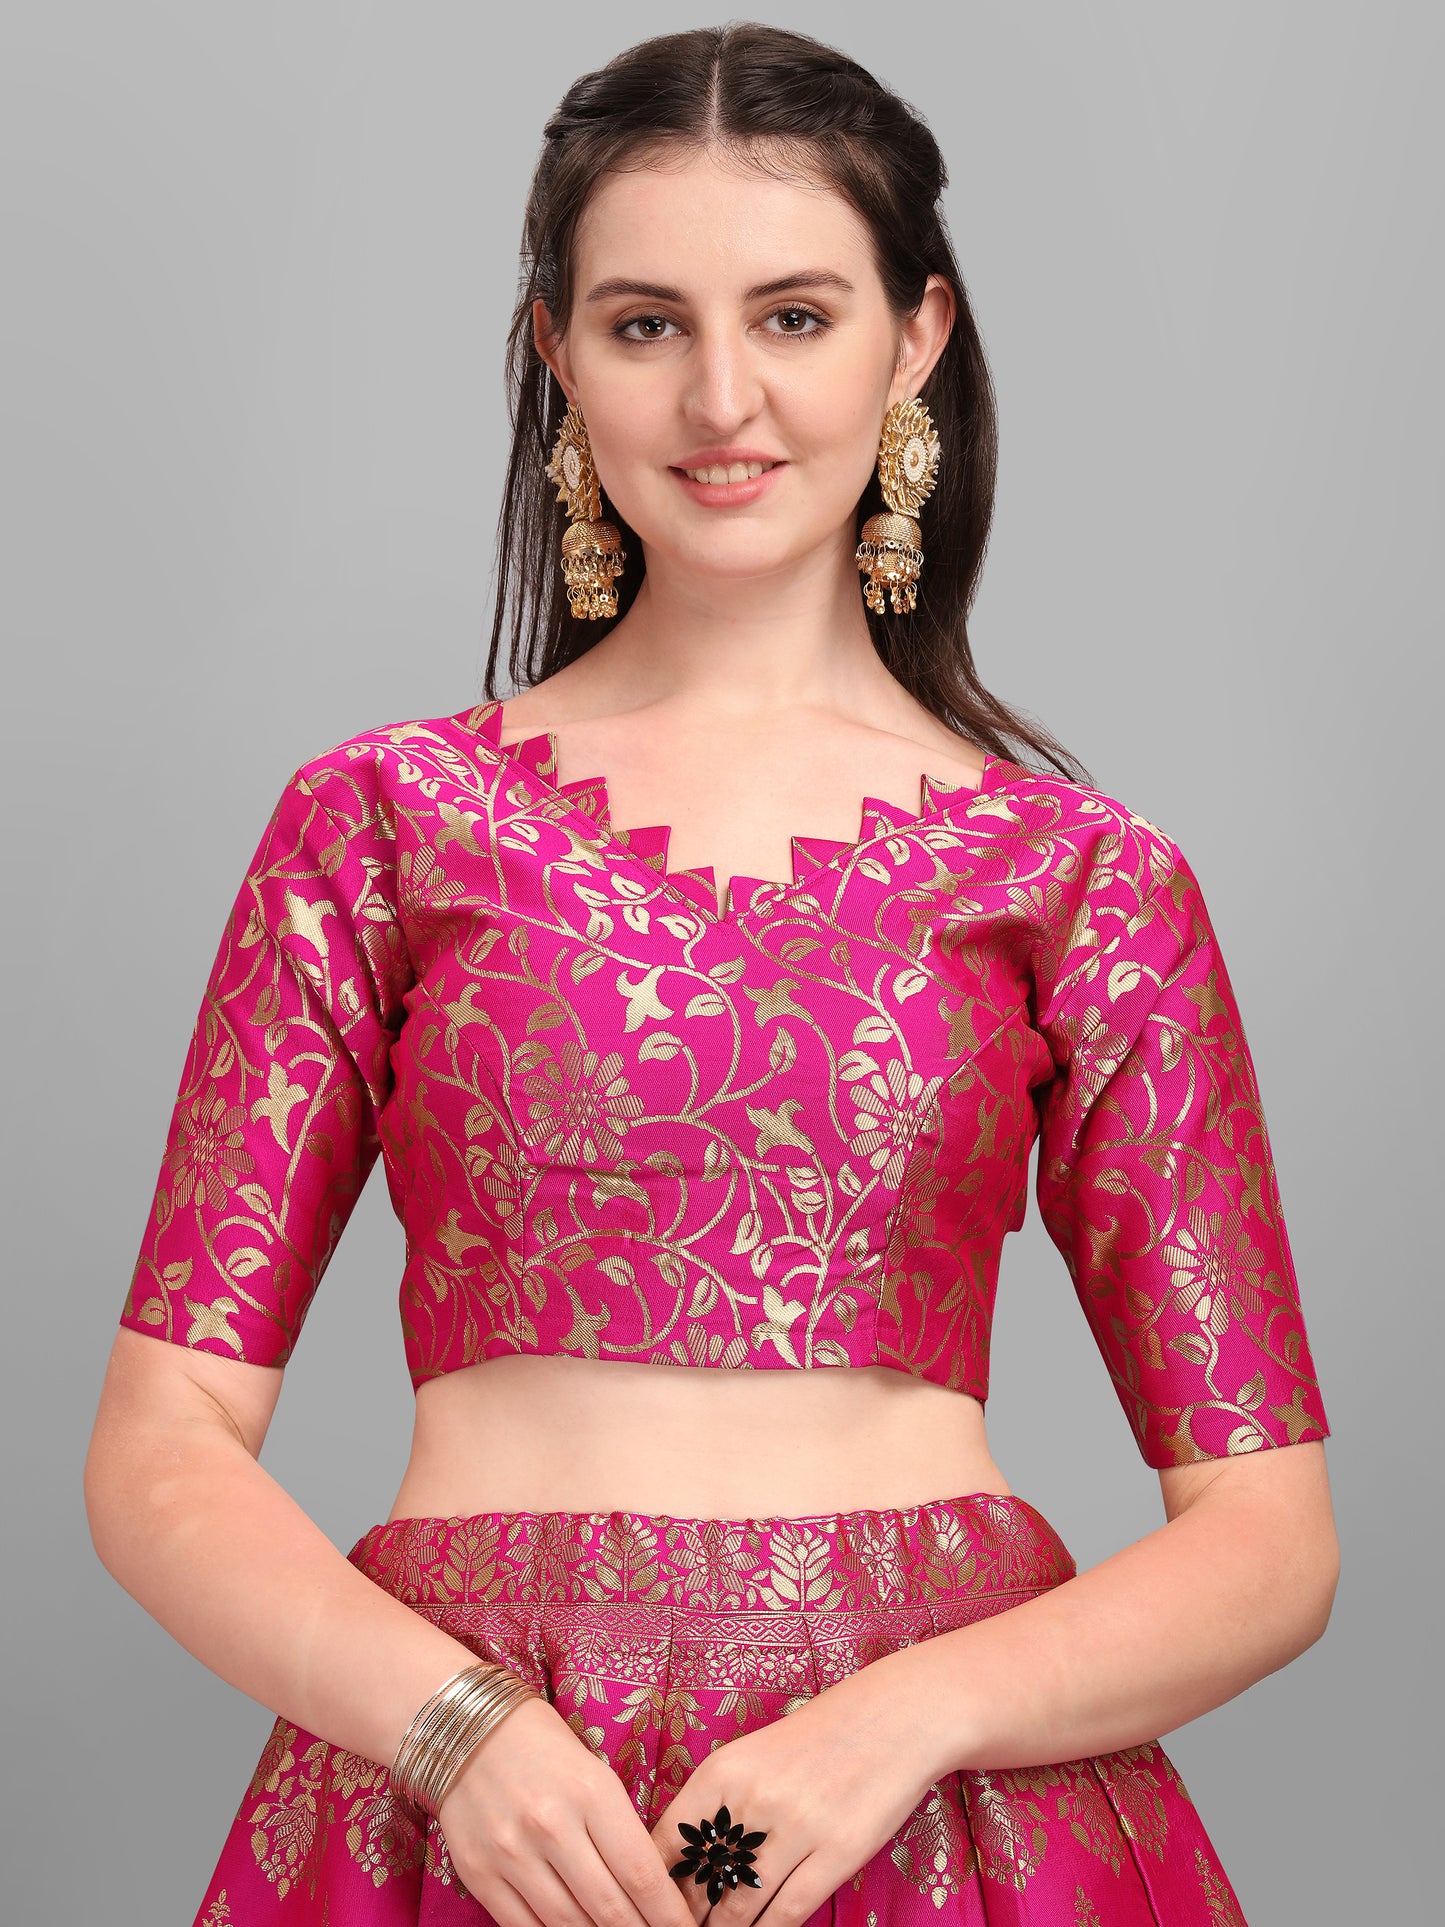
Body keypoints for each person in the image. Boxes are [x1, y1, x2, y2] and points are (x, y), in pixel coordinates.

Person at [84, 21, 1338, 1927]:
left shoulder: (1080, 878)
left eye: (795, 317)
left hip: (933, 1806)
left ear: (914, 339)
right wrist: (452, 1731)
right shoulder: (384, 823)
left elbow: (1266, 1533)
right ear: (556, 352)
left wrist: (896, 1724)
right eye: (645, 323)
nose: (721, 397)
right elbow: (159, 1446)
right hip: (474, 1797)